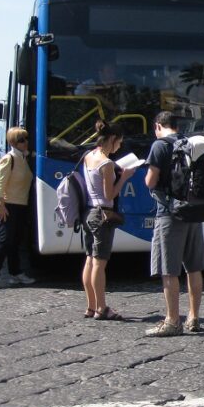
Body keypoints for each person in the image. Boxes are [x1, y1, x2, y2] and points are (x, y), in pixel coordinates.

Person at [144, 111, 204, 336]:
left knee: (168, 269)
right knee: (193, 267)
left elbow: (151, 181)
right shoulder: (189, 143)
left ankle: (172, 321)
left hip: (170, 214)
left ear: (157, 126)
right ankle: (194, 317)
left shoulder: (159, 146)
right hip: (193, 211)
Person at [81, 120, 137, 321]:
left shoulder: (89, 156)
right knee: (99, 263)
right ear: (112, 139)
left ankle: (90, 305)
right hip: (103, 214)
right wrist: (124, 177)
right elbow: (110, 194)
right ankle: (102, 308)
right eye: (119, 142)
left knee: (89, 259)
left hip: (88, 212)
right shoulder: (105, 164)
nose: (120, 146)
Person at [0, 127, 35, 288]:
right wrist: (0, 202)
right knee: (5, 241)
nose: (25, 142)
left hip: (21, 205)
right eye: (22, 140)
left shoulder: (23, 158)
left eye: (26, 138)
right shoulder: (10, 158)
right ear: (13, 142)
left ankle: (15, 273)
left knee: (16, 241)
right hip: (8, 205)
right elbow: (0, 181)